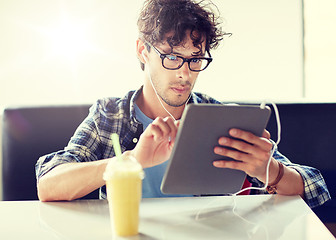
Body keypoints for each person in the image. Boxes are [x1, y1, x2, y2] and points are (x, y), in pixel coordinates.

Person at [36, 0, 330, 208]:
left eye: (195, 59)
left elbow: (315, 187)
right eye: (172, 57)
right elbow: (49, 185)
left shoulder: (218, 116)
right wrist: (131, 161)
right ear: (143, 51)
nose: (184, 74)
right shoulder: (111, 115)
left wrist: (271, 170)